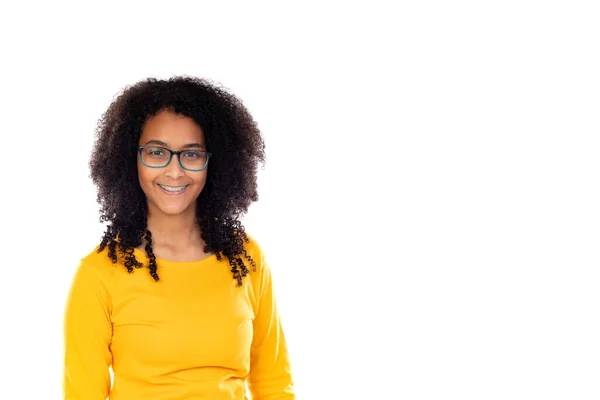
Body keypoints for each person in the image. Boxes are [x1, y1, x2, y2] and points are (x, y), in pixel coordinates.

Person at [63, 76, 295, 399]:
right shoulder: (98, 275)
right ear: (132, 160)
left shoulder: (247, 259)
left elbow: (274, 384)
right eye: (157, 152)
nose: (174, 171)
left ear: (214, 163)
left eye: (192, 154)